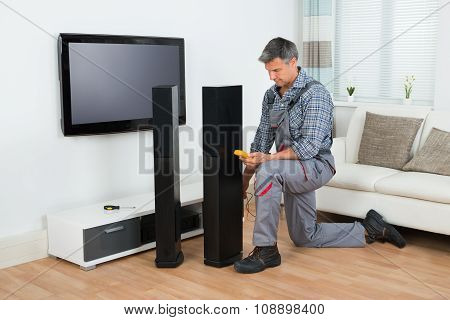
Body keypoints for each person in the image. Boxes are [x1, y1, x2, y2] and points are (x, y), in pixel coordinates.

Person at [233, 37, 406, 274]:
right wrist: (244, 181)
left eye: (275, 70)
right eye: (268, 71)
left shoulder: (315, 95)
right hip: (289, 168)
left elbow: (309, 148)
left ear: (293, 62)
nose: (271, 77)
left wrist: (268, 160)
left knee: (270, 171)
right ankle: (370, 229)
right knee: (305, 236)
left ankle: (266, 250)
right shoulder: (271, 97)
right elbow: (262, 141)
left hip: (315, 165)